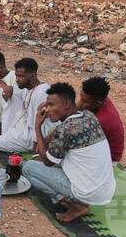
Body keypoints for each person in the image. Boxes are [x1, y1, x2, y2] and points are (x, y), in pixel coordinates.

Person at [23, 82, 116, 223]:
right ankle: (74, 200)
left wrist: (38, 126)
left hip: (87, 192)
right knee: (43, 159)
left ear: (66, 104)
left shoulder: (65, 130)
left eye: (51, 105)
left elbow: (47, 161)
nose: (48, 110)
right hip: (105, 190)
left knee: (29, 168)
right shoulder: (89, 116)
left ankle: (76, 205)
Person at [0, 57, 50, 153]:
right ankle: (6, 132)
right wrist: (8, 88)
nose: (17, 80)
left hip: (37, 135)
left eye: (21, 76)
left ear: (32, 75)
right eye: (16, 76)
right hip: (25, 126)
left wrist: (37, 150)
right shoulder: (27, 87)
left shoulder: (41, 93)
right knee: (4, 95)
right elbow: (14, 96)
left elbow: (40, 124)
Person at [78, 76, 124, 163]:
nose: (81, 103)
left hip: (108, 159)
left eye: (84, 101)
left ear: (98, 103)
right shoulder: (100, 99)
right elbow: (77, 107)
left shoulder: (102, 120)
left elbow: (80, 143)